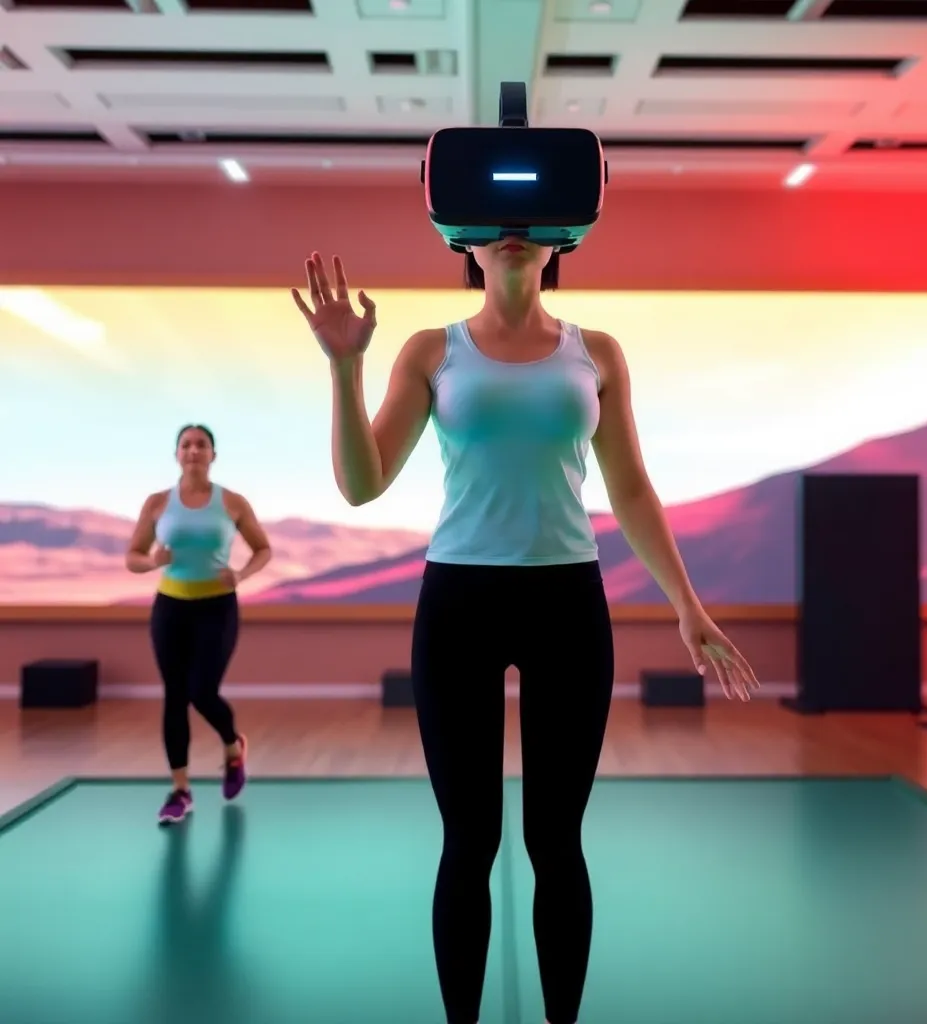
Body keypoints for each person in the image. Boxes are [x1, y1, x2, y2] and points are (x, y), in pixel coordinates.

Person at [292, 246, 759, 1024]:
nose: (512, 231)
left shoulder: (597, 352)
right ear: (466, 243)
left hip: (567, 602)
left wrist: (687, 601)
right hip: (458, 604)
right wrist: (344, 368)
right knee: (468, 842)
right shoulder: (431, 350)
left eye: (530, 220)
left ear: (561, 240)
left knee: (556, 841)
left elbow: (631, 486)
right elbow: (362, 482)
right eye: (495, 223)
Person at [125, 424, 272, 826]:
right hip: (170, 608)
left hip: (217, 608)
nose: (193, 451)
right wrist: (152, 561)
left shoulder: (233, 503)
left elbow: (263, 549)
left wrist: (240, 575)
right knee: (174, 695)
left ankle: (232, 745)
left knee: (201, 691)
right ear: (177, 454)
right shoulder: (157, 503)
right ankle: (180, 790)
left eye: (201, 444)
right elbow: (133, 557)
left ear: (212, 455)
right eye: (186, 445)